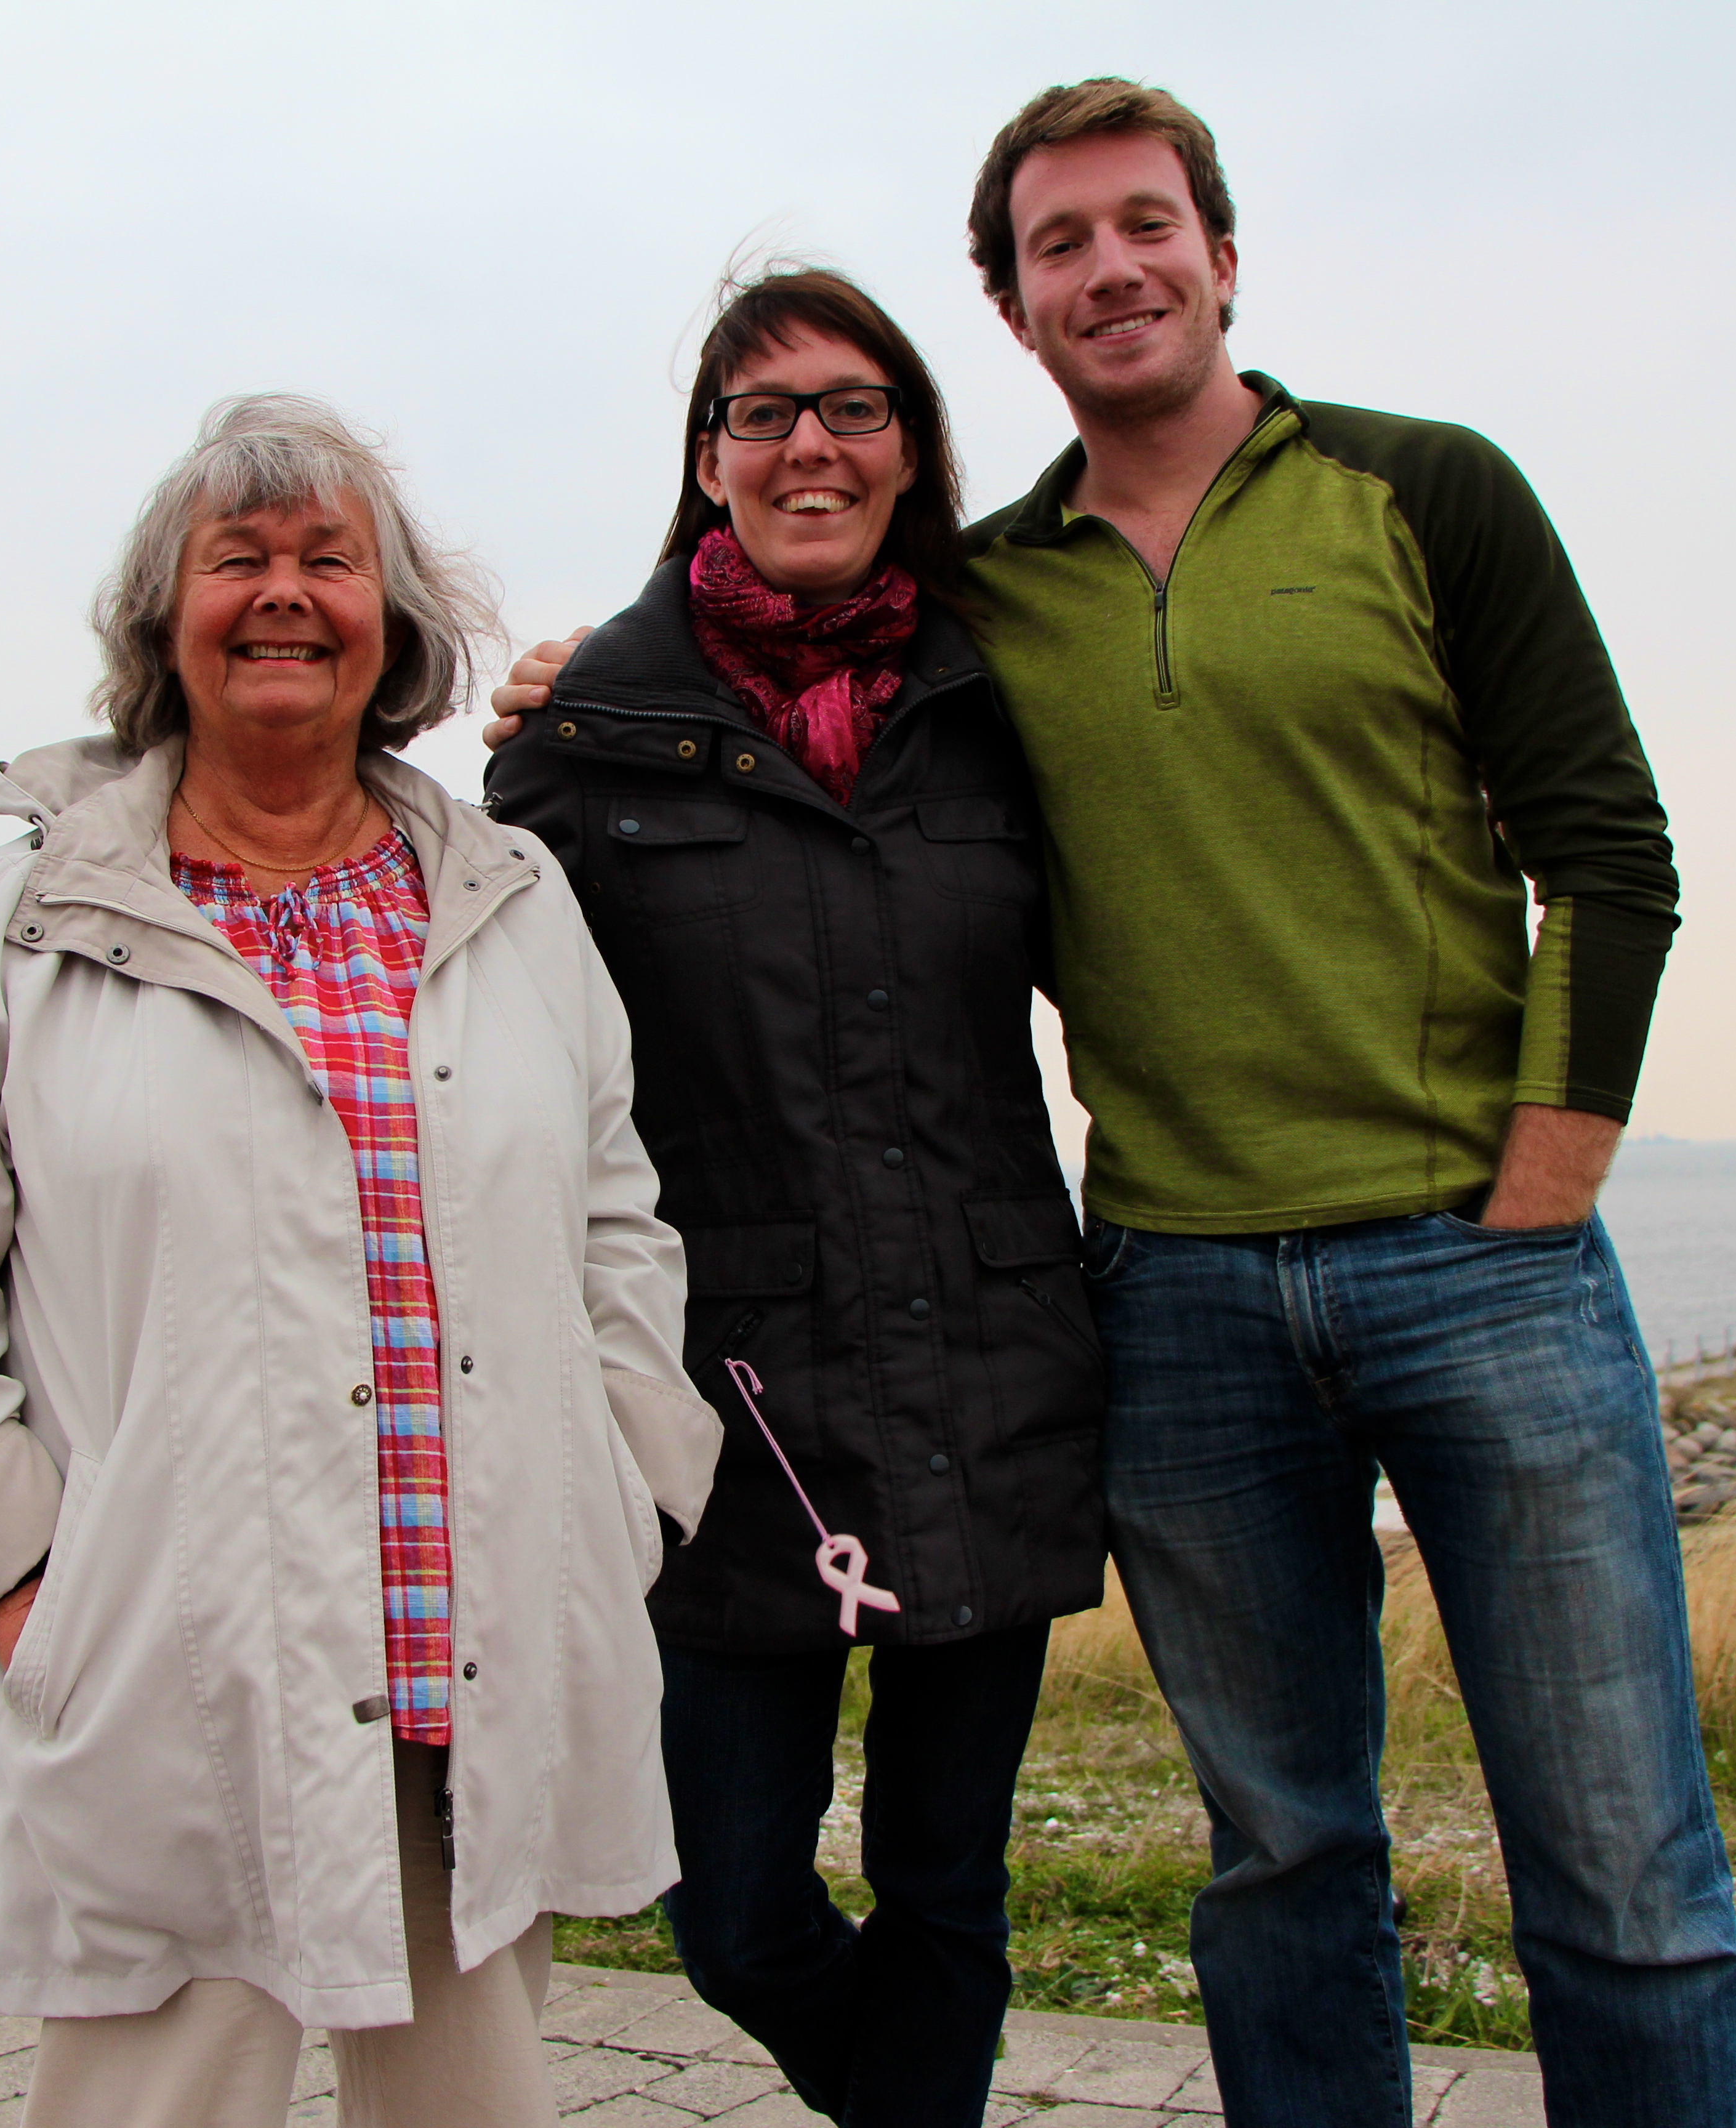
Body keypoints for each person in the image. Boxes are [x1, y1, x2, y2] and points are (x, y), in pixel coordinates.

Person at [492, 83, 1736, 2128]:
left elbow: (1608, 854)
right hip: (1174, 1293)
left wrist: (1534, 1201)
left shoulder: (1426, 491)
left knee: (1622, 1877)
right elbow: (756, 708)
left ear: (1221, 255)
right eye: (1059, 243)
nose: (1112, 268)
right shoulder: (989, 607)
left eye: (1146, 223)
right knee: (1284, 1861)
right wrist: (581, 682)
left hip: (1475, 1268)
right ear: (1012, 309)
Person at [0, 393, 721, 2128]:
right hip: (180, 1665)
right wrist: (18, 1577)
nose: (286, 593)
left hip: (473, 1653)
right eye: (238, 560)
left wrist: (624, 1486)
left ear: (395, 622)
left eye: (330, 559)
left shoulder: (510, 895)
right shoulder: (35, 913)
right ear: (166, 622)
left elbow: (616, 1210)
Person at [482, 268, 1104, 2128]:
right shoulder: (584, 739)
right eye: (764, 414)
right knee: (737, 1911)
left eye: (853, 406)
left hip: (986, 1362)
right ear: (708, 460)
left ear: (911, 449)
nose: (809, 445)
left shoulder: (1009, 700)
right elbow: (503, 1069)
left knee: (947, 1887)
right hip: (726, 1404)